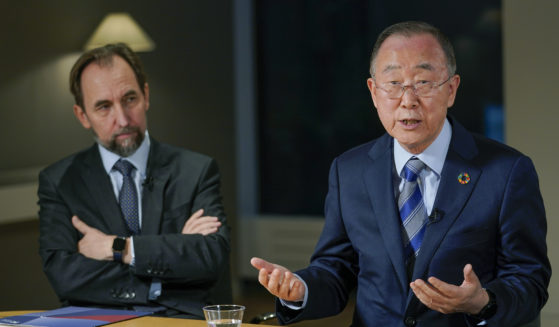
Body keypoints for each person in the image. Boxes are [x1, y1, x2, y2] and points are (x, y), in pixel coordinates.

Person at [251, 21, 550, 327]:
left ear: (451, 89)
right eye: (394, 83)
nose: (408, 100)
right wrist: (301, 290)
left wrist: (483, 303)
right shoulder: (349, 171)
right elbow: (336, 270)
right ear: (374, 92)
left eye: (423, 82)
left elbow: (530, 279)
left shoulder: (506, 171)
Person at [38, 43, 231, 319]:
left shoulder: (196, 170)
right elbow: (65, 275)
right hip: (97, 321)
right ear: (83, 116)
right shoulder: (59, 181)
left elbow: (210, 257)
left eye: (130, 99)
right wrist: (168, 265)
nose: (123, 118)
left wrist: (118, 248)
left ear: (146, 95)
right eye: (104, 107)